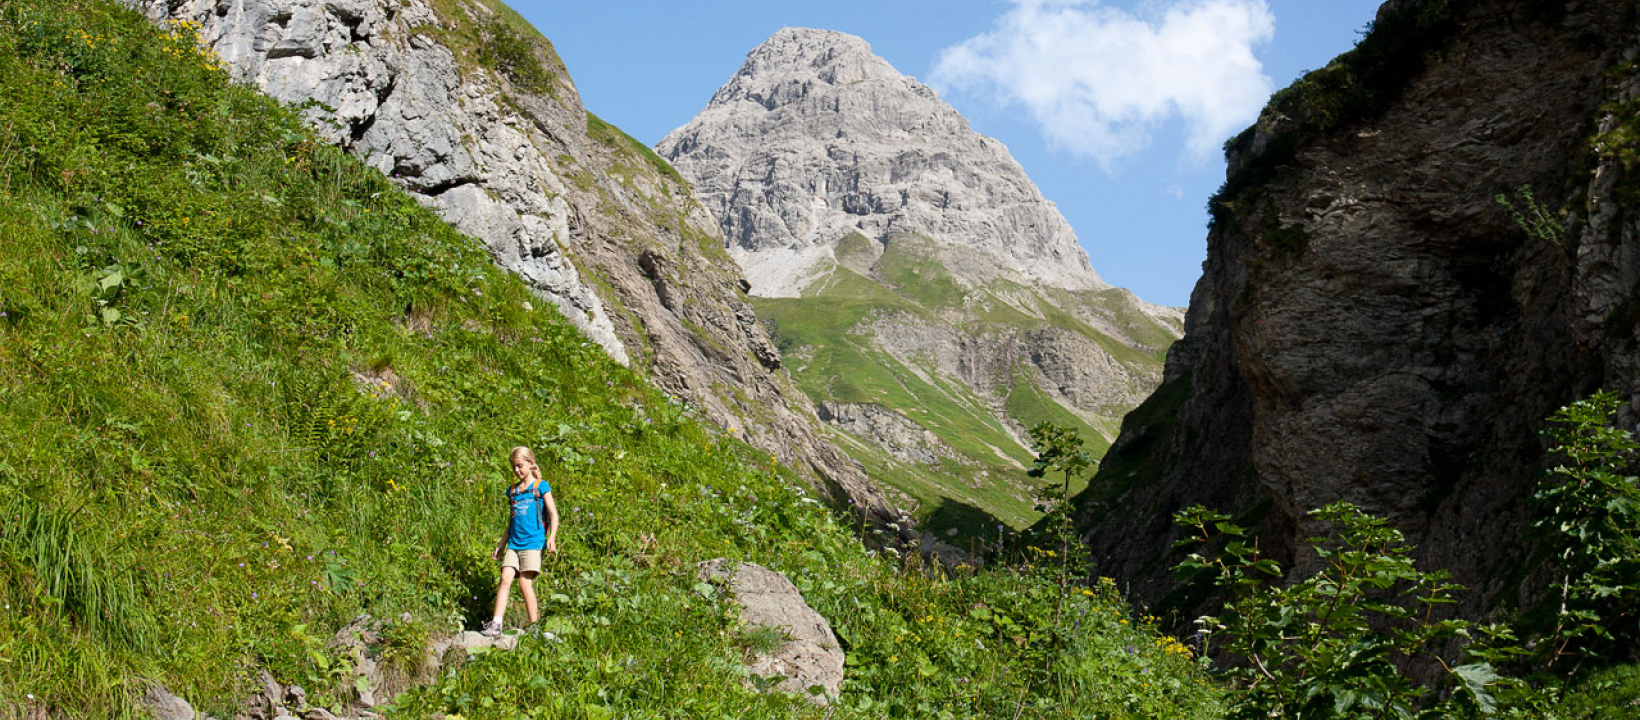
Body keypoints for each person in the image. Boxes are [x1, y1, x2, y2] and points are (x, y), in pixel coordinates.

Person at [482, 446, 559, 637]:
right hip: (514, 544)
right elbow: (512, 521)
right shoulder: (513, 491)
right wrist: (502, 544)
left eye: (520, 466)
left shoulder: (541, 487)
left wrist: (552, 537)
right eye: (514, 467)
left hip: (533, 543)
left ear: (531, 464)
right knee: (505, 578)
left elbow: (553, 514)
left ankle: (534, 626)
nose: (517, 470)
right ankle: (496, 624)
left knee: (525, 583)